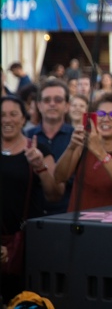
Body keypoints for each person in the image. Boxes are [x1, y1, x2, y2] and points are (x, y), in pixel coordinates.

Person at [1, 95, 64, 302]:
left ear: (23, 119)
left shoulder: (38, 149)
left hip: (24, 244)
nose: (6, 120)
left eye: (13, 114)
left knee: (22, 299)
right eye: (2, 115)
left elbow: (54, 194)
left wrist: (40, 166)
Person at [54, 91, 112, 211]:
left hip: (110, 225)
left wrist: (100, 152)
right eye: (101, 114)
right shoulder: (81, 149)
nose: (106, 119)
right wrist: (71, 147)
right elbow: (59, 177)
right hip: (78, 225)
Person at [24, 79, 75, 215]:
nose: (52, 104)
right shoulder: (26, 137)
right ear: (39, 105)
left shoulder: (77, 138)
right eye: (47, 100)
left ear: (67, 105)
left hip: (67, 215)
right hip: (31, 217)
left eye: (58, 100)